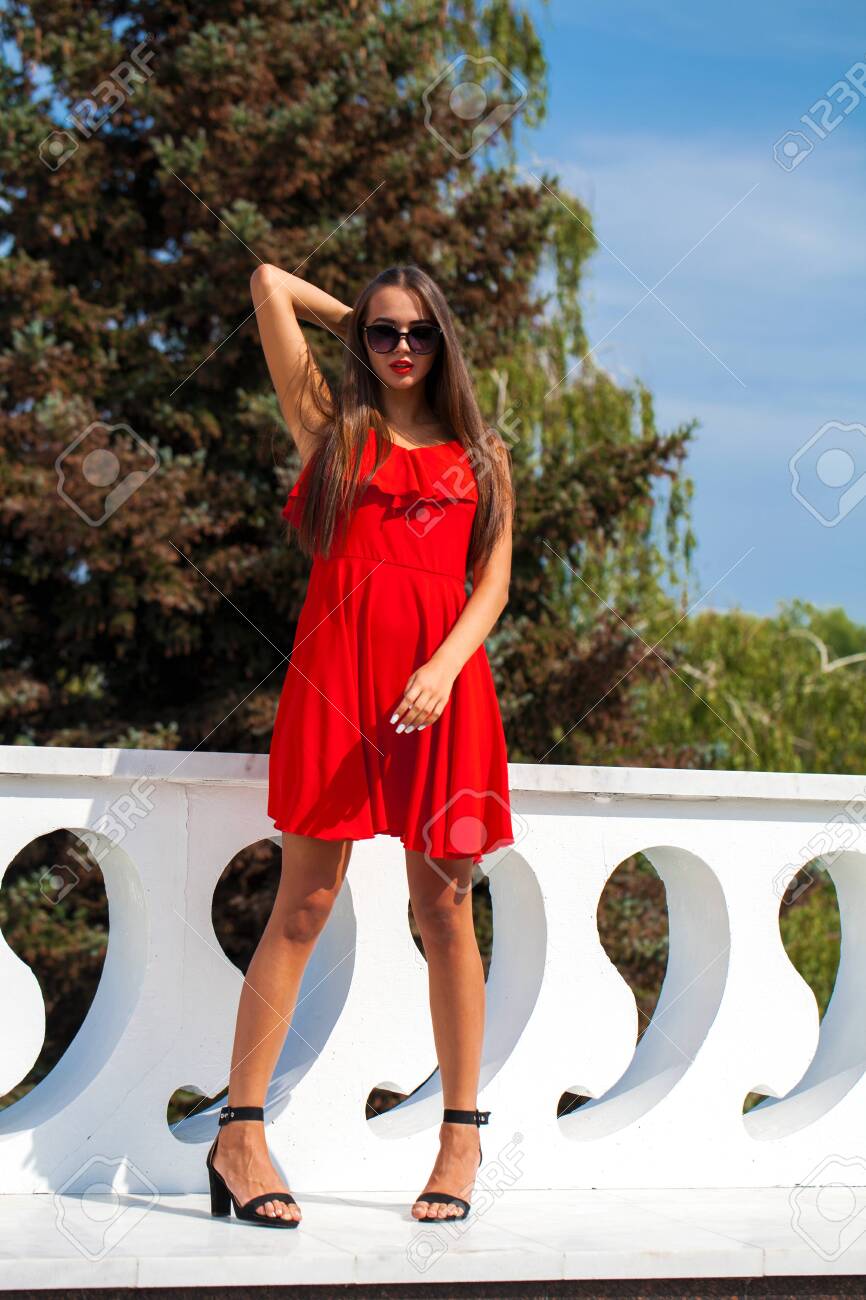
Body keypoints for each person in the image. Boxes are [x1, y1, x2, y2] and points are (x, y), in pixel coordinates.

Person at [205, 262, 515, 1228]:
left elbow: (492, 588)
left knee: (447, 904)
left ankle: (459, 1139)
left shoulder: (485, 456)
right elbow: (265, 282)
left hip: (442, 693)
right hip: (335, 685)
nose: (402, 350)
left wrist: (444, 668)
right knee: (304, 902)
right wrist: (354, 325)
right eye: (385, 334)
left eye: (422, 333)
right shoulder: (336, 435)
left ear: (446, 341)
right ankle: (241, 1136)